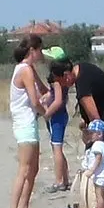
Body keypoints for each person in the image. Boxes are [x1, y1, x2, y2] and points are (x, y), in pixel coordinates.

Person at [5, 33, 48, 208]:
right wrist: (46, 112)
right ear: (32, 50)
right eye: (39, 50)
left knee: (34, 169)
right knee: (24, 169)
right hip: (24, 123)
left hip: (29, 122)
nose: (41, 54)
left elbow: (43, 89)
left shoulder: (29, 69)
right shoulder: (24, 70)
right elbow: (34, 100)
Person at [55, 54, 104, 146]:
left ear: (66, 75)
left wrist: (92, 140)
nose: (63, 85)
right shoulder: (82, 68)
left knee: (97, 154)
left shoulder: (83, 88)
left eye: (61, 82)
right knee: (101, 154)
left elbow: (96, 120)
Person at [42, 46, 72, 193]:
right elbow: (55, 95)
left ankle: (59, 180)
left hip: (57, 116)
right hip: (61, 115)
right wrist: (46, 97)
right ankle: (65, 179)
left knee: (57, 149)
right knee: (58, 148)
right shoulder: (61, 78)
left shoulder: (56, 78)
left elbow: (58, 100)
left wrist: (47, 113)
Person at [75, 119, 104, 208]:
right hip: (103, 173)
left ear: (99, 134)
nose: (90, 135)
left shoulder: (97, 145)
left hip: (100, 174)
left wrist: (91, 170)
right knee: (102, 194)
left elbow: (98, 158)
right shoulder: (103, 145)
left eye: (92, 133)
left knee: (98, 194)